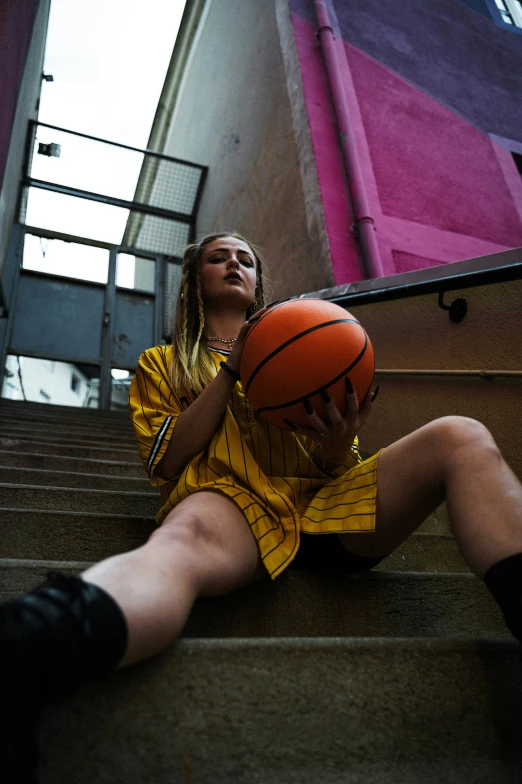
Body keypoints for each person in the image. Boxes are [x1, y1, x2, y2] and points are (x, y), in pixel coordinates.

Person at [2, 232, 522, 784]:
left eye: (245, 258)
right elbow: (168, 459)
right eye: (217, 257)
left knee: (460, 436)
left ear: (257, 285)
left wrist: (335, 439)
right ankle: (30, 644)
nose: (233, 263)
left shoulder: (306, 340)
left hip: (322, 507)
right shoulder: (161, 363)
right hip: (231, 502)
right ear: (195, 280)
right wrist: (233, 369)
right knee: (182, 542)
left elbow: (338, 467)